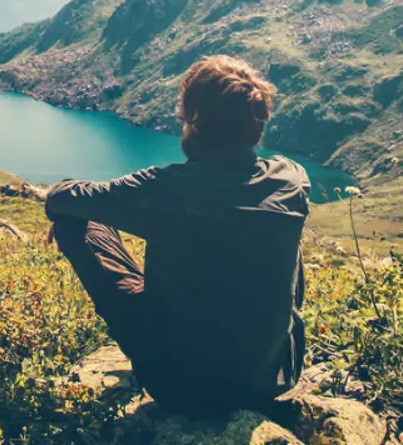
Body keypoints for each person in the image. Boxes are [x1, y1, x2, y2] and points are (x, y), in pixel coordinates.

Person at [45, 55, 310, 418]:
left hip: (181, 387)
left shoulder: (164, 189)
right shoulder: (292, 179)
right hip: (273, 379)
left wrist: (67, 215)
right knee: (280, 232)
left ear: (195, 124)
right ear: (257, 125)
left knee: (77, 220)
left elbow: (61, 197)